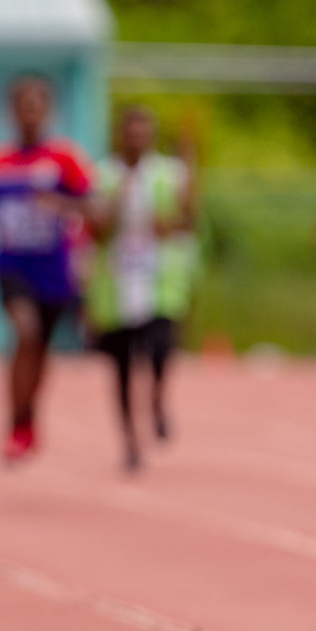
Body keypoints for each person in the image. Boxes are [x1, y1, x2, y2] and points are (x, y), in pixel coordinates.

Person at [0, 74, 93, 464]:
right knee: (25, 332)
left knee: (39, 350)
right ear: (12, 112)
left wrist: (61, 205)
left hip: (54, 270)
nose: (30, 114)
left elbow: (95, 208)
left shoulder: (66, 159)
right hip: (13, 266)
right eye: (23, 106)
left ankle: (28, 416)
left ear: (48, 111)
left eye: (37, 106)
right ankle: (16, 422)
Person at [85, 107, 197, 472]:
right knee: (120, 367)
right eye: (130, 134)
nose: (136, 141)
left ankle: (158, 399)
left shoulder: (169, 173)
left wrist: (173, 220)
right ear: (120, 136)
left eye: (143, 134)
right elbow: (95, 231)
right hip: (115, 283)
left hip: (160, 280)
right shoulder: (103, 176)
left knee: (162, 348)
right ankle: (130, 441)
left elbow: (187, 222)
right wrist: (117, 203)